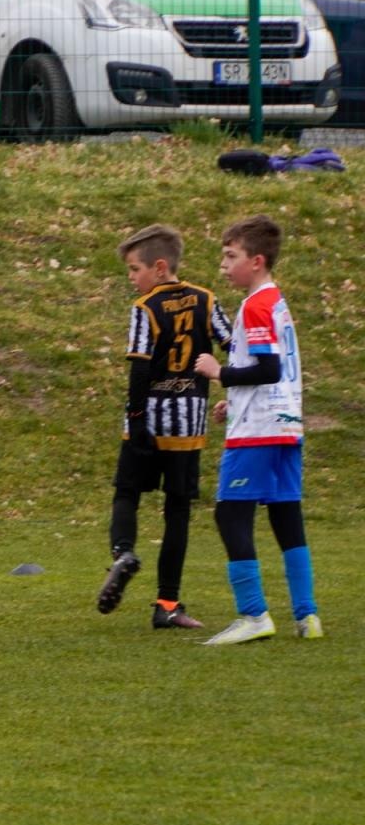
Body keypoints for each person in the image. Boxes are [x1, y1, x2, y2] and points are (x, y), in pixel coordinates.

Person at [193, 215, 323, 645]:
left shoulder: (256, 305)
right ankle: (307, 615)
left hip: (259, 431)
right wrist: (235, 399)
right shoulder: (276, 302)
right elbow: (273, 371)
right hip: (284, 425)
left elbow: (268, 368)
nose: (223, 265)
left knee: (230, 513)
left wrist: (219, 373)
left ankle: (253, 615)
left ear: (257, 261)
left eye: (231, 256)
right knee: (286, 516)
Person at [96, 224, 231, 629]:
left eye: (134, 269)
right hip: (187, 427)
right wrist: (231, 386)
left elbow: (139, 368)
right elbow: (235, 345)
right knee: (177, 512)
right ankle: (167, 605)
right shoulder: (207, 299)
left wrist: (137, 419)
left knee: (127, 493)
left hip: (149, 420)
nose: (131, 278)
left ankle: (123, 553)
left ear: (158, 267)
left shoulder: (146, 307)